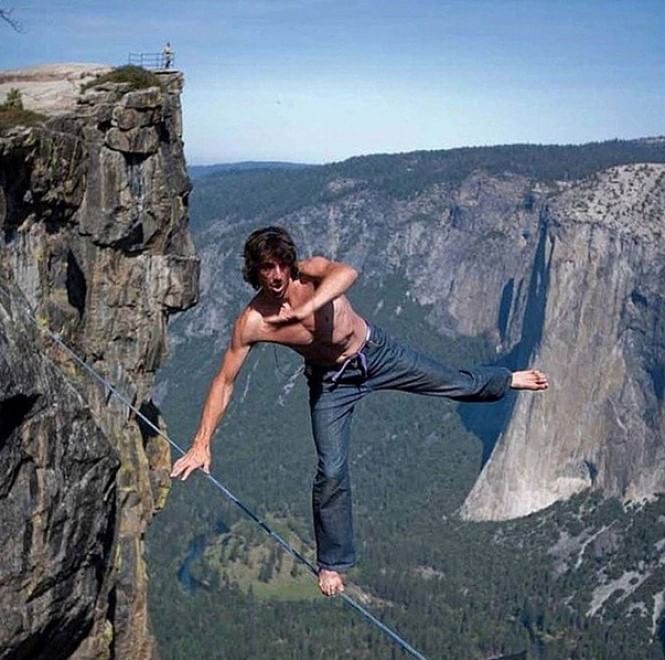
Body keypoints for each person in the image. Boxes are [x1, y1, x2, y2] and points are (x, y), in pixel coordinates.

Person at [170, 226, 549, 597]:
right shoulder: (253, 322)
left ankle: (507, 378)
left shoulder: (312, 272)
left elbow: (349, 272)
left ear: (290, 261)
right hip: (331, 383)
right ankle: (332, 561)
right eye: (266, 268)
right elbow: (224, 381)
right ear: (254, 272)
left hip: (376, 354)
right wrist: (202, 443)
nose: (276, 275)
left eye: (280, 264)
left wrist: (313, 305)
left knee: (455, 383)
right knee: (331, 469)